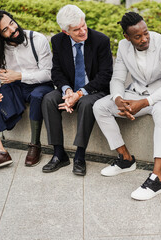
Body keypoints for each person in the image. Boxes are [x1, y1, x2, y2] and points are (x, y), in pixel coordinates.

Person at [93, 12, 161, 200]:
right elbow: (117, 78)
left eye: (146, 33)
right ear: (127, 36)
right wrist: (118, 99)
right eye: (138, 37)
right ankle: (125, 159)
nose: (144, 39)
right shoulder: (123, 47)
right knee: (99, 106)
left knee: (160, 112)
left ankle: (157, 178)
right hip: (136, 93)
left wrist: (144, 103)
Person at [0, 10, 54, 171]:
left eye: (11, 23)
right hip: (14, 86)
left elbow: (48, 74)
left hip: (40, 84)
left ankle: (35, 145)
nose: (13, 29)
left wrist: (20, 76)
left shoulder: (37, 40)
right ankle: (0, 152)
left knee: (37, 97)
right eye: (5, 30)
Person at [41, 5, 113, 176]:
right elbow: (56, 71)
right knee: (49, 99)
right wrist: (67, 92)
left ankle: (80, 155)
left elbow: (105, 75)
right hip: (70, 88)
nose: (82, 31)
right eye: (76, 30)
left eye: (83, 25)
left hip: (95, 90)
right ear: (66, 32)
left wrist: (79, 94)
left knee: (87, 104)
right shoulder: (58, 41)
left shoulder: (101, 40)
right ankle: (59, 154)